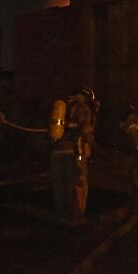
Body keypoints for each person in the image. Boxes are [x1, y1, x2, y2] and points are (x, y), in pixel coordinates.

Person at [49, 87, 99, 224]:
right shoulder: (83, 109)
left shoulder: (60, 109)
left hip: (57, 151)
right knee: (78, 184)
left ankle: (61, 214)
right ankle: (77, 217)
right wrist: (92, 145)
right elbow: (85, 131)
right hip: (75, 152)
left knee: (60, 184)